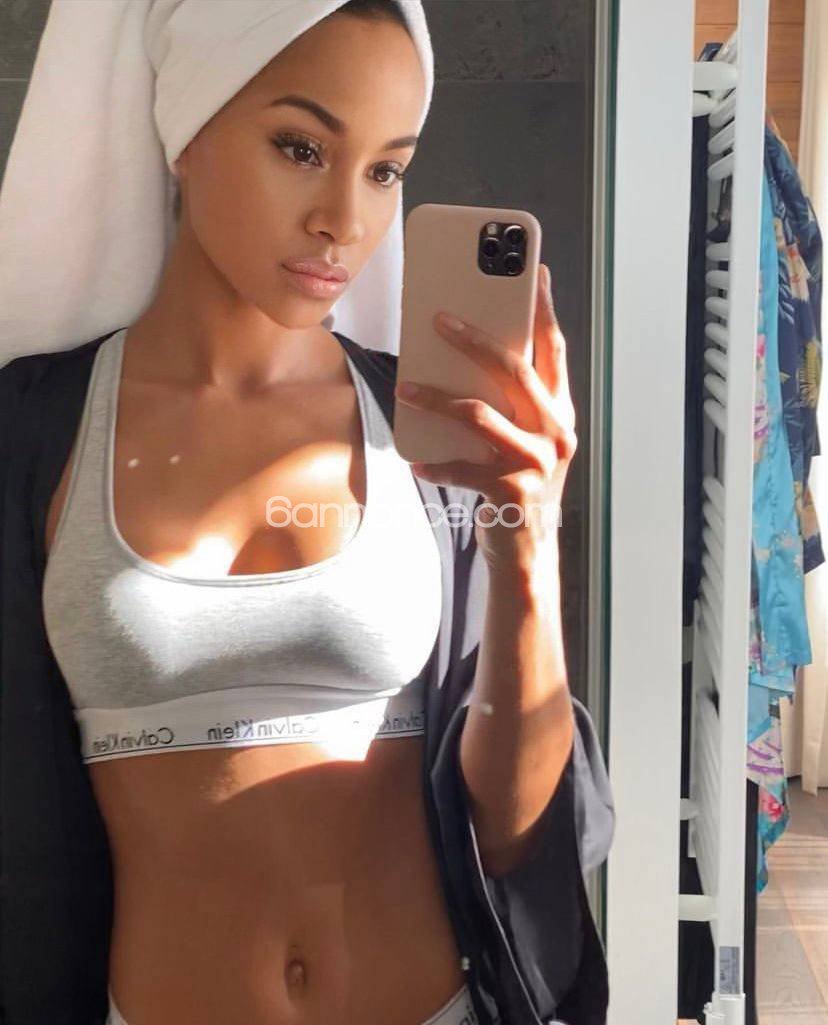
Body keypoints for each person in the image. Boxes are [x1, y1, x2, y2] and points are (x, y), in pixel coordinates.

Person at [0, 2, 615, 1024]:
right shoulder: (32, 435)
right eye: (301, 147)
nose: (346, 220)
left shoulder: (426, 440)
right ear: (184, 127)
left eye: (385, 169)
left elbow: (516, 832)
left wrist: (529, 531)